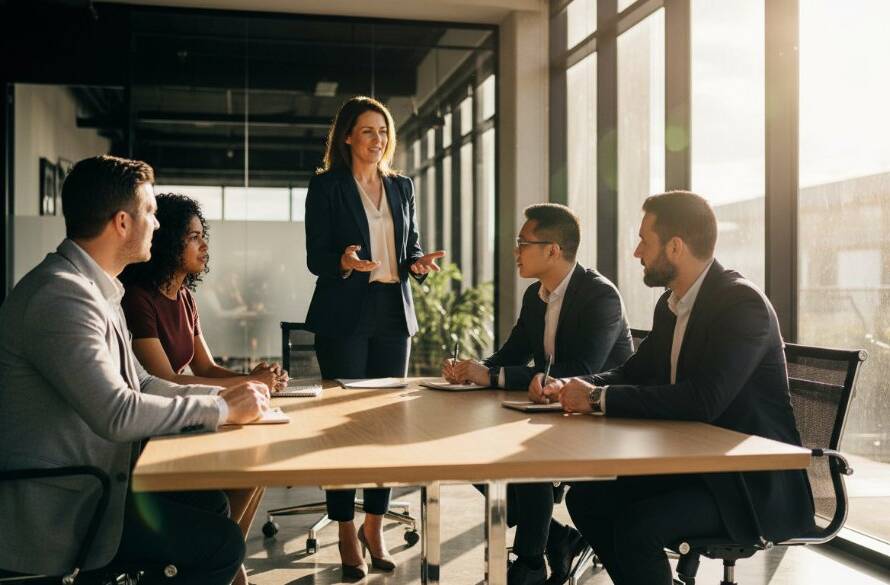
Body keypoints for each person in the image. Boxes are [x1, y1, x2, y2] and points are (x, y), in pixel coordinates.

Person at [0, 155, 270, 584]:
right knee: (222, 543)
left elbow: (140, 382)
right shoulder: (62, 297)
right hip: (62, 507)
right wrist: (220, 412)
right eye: (150, 212)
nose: (158, 225)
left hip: (100, 484)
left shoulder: (97, 289)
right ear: (122, 223)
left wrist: (222, 398)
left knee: (212, 504)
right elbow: (117, 412)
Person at [538, 191, 816, 585]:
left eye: (643, 241)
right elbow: (635, 372)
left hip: (747, 482)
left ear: (675, 246)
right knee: (588, 500)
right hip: (696, 467)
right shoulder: (674, 303)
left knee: (639, 526)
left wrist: (597, 399)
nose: (637, 253)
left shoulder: (742, 305)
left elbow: (704, 400)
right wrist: (571, 386)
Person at [443, 203, 633, 585]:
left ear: (552, 250)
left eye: (522, 243)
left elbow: (580, 371)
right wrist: (470, 369)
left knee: (525, 458)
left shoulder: (600, 297)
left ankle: (530, 563)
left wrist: (492, 376)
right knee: (467, 448)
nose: (515, 251)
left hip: (603, 418)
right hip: (553, 412)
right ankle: (556, 538)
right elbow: (510, 354)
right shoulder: (537, 296)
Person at [304, 95, 446, 579]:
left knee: (386, 426)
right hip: (344, 312)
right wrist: (341, 262)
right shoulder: (326, 187)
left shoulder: (401, 186)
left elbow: (410, 248)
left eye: (383, 131)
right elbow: (315, 257)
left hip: (392, 311)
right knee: (342, 428)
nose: (378, 140)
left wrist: (418, 264)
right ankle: (345, 530)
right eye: (367, 131)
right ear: (347, 136)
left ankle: (374, 524)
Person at [119, 192, 287, 585]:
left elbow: (206, 366)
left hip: (188, 412)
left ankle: (229, 561)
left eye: (202, 235)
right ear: (169, 241)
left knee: (255, 468)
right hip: (158, 425)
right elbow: (167, 379)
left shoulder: (186, 299)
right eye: (193, 237)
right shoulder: (139, 300)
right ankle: (226, 562)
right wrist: (248, 384)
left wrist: (256, 379)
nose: (204, 245)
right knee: (240, 471)